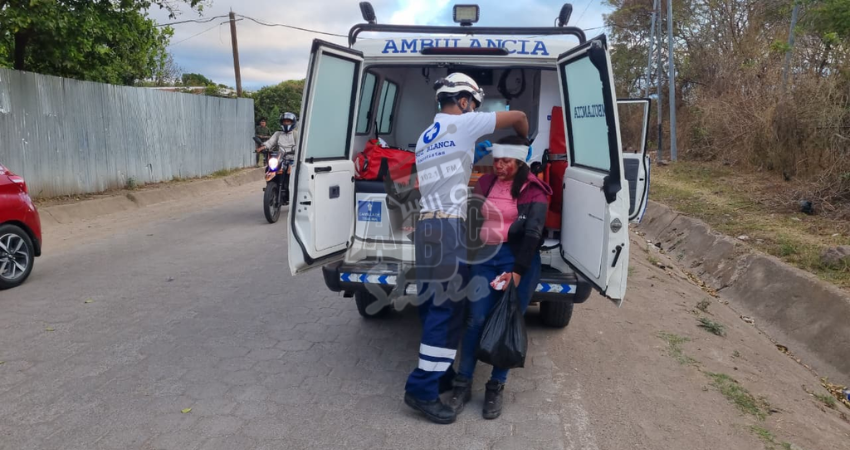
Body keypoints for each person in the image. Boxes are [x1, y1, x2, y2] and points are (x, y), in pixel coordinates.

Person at [404, 72, 529, 425]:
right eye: (473, 104)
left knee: (432, 304)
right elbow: (519, 117)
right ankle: (422, 390)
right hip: (447, 228)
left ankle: (440, 373)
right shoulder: (464, 123)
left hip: (426, 226)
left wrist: (475, 153)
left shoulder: (426, 136)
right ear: (463, 100)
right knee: (446, 310)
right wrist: (523, 142)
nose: (474, 109)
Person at [447, 135, 551, 420]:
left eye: (506, 161)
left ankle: (496, 385)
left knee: (506, 320)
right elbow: (471, 219)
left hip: (517, 259)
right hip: (485, 257)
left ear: (520, 161)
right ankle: (462, 383)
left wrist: (517, 272)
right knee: (475, 319)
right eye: (496, 160)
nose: (499, 165)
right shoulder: (485, 183)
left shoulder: (534, 190)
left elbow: (533, 234)